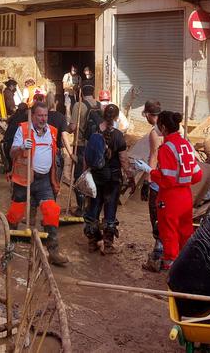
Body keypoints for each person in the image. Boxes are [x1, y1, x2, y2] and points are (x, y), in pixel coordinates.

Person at [6, 102, 69, 266]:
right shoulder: (23, 129)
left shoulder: (52, 132)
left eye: (45, 115)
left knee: (52, 210)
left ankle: (53, 251)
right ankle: (9, 245)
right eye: (40, 115)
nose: (43, 119)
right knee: (15, 212)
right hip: (24, 178)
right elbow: (12, 153)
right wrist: (21, 147)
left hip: (44, 180)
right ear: (33, 115)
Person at [138, 110, 201, 271]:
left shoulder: (166, 148)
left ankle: (171, 266)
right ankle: (185, 264)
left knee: (169, 232)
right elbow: (197, 175)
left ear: (164, 127)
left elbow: (167, 179)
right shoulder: (186, 144)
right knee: (186, 231)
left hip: (170, 198)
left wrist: (150, 171)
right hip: (186, 196)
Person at [83, 103, 131, 254]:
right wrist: (130, 176)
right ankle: (108, 245)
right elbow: (123, 160)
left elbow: (86, 156)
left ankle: (93, 242)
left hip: (96, 178)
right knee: (110, 210)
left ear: (103, 116)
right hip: (113, 180)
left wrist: (85, 174)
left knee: (94, 208)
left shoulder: (93, 132)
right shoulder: (118, 136)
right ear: (116, 117)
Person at [141, 100, 164, 271]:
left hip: (159, 182)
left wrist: (147, 180)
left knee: (155, 217)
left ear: (149, 115)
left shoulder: (155, 132)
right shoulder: (176, 128)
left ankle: (157, 255)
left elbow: (153, 156)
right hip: (174, 183)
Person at [69, 85, 101, 215]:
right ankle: (93, 207)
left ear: (81, 93)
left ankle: (81, 208)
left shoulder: (79, 105)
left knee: (79, 176)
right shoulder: (99, 105)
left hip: (81, 145)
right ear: (93, 93)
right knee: (94, 175)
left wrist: (66, 129)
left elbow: (72, 126)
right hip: (97, 146)